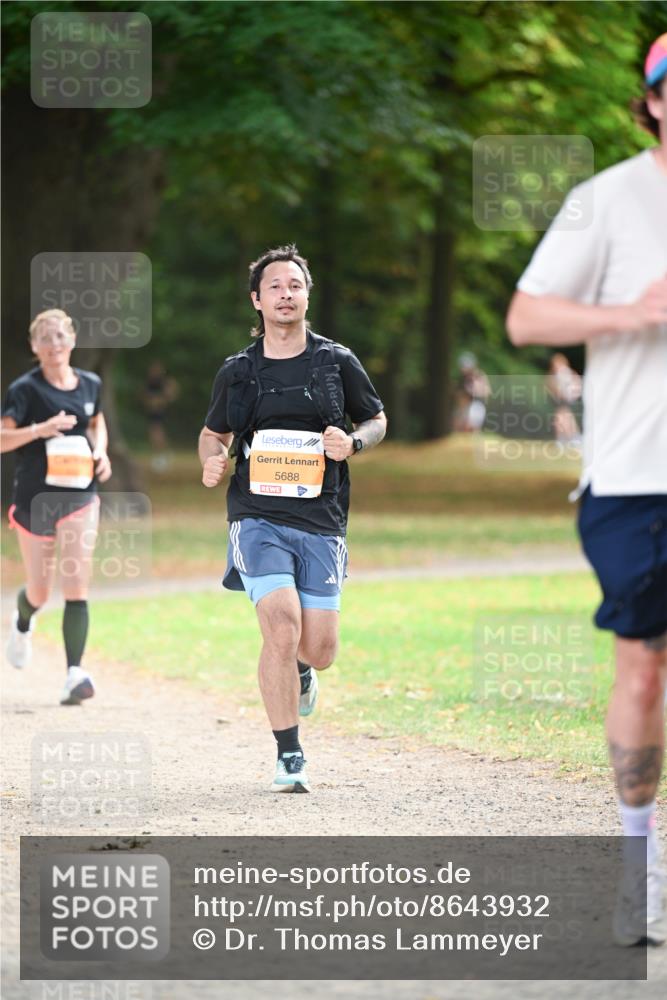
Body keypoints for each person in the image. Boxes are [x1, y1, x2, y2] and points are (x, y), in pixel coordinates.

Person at [506, 35, 667, 945]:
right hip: (637, 480)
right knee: (641, 667)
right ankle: (635, 873)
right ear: (649, 102)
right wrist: (631, 314)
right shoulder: (603, 199)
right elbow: (526, 316)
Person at [199, 245, 386, 793]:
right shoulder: (238, 371)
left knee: (318, 649)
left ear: (308, 295)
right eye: (275, 286)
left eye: (295, 285)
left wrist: (352, 442)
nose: (286, 294)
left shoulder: (336, 362)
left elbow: (375, 419)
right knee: (281, 625)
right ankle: (289, 754)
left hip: (322, 518)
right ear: (257, 300)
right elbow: (215, 432)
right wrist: (211, 459)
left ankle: (302, 671)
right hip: (256, 515)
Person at [1, 308, 112, 704]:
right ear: (34, 346)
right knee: (40, 590)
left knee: (76, 583)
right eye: (45, 338)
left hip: (81, 493)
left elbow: (96, 422)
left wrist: (101, 452)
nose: (54, 344)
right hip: (35, 498)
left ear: (72, 340)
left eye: (60, 336)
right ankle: (22, 620)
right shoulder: (24, 390)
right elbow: (2, 439)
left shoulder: (90, 384)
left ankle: (74, 673)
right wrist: (40, 430)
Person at [142, 360, 179, 471]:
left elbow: (171, 395)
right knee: (155, 434)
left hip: (161, 413)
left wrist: (158, 401)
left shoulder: (165, 382)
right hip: (153, 413)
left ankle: (162, 457)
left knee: (157, 434)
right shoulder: (150, 383)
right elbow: (144, 397)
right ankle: (164, 455)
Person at [544, 353, 582, 446]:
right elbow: (551, 389)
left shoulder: (569, 374)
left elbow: (577, 386)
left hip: (565, 401)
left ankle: (570, 438)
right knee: (560, 418)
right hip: (558, 401)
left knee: (564, 417)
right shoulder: (552, 377)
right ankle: (566, 439)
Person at [454, 352, 490, 432]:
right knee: (458, 427)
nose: (463, 369)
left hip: (476, 406)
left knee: (470, 428)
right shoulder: (462, 378)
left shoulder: (478, 376)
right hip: (463, 408)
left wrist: (472, 392)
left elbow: (486, 393)